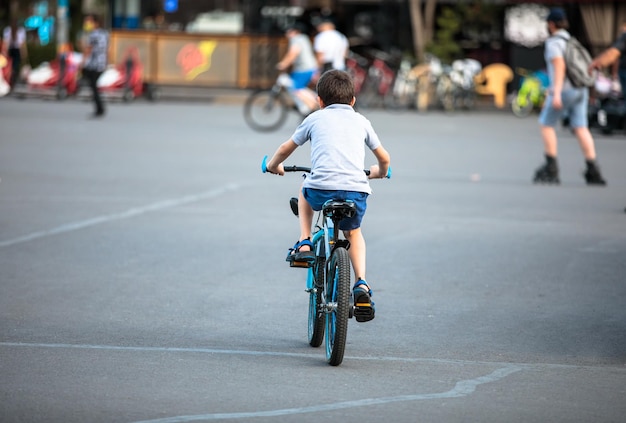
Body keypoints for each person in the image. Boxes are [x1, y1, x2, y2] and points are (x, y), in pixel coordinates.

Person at [265, 70, 391, 322]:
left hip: (321, 188)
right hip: (356, 190)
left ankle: (304, 240)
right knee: (353, 233)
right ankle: (362, 284)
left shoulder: (315, 118)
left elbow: (285, 148)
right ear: (353, 100)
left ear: (319, 100)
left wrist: (273, 165)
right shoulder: (362, 121)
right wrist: (379, 172)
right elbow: (384, 158)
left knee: (304, 188)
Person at [533, 8, 606, 186]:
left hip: (564, 89)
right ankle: (592, 168)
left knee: (546, 124)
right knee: (581, 127)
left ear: (551, 24)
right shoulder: (571, 40)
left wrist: (555, 93)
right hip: (581, 88)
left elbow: (559, 67)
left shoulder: (554, 43)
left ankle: (551, 166)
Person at [276, 22, 319, 114]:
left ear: (295, 32)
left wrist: (283, 64)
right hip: (307, 67)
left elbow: (293, 53)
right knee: (296, 86)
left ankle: (307, 106)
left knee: (295, 88)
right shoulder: (303, 38)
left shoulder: (296, 39)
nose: (286, 34)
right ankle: (310, 104)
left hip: (304, 68)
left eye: (288, 31)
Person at [81, 14, 109, 118]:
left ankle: (99, 108)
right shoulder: (105, 33)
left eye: (89, 21)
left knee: (93, 86)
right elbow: (107, 49)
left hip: (93, 64)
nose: (87, 24)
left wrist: (82, 62)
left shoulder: (93, 35)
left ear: (96, 23)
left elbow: (88, 49)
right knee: (94, 86)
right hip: (101, 63)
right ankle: (99, 108)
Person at [1, 19, 28, 89]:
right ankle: (12, 79)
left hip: (12, 50)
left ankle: (11, 80)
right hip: (15, 50)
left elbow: (6, 43)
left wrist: (5, 52)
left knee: (12, 66)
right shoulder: (17, 31)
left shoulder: (9, 30)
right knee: (14, 66)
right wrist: (24, 53)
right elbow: (22, 44)